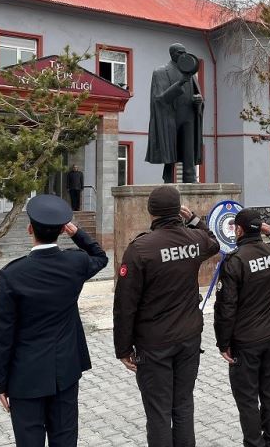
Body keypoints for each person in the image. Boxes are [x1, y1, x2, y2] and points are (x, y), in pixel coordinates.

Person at [0, 194, 108, 447]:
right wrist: (77, 233)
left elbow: (2, 334)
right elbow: (100, 256)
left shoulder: (12, 274)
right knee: (65, 439)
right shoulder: (75, 262)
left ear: (30, 228)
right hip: (65, 371)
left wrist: (0, 381)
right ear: (61, 230)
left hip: (25, 376)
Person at [112, 185, 220, 447]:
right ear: (177, 211)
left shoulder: (140, 249)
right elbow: (214, 242)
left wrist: (123, 348)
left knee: (159, 412)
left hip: (154, 343)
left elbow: (125, 304)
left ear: (151, 212)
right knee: (183, 405)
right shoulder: (194, 240)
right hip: (188, 337)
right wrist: (194, 219)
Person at [214, 209, 270, 447]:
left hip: (245, 341)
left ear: (238, 230)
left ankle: (254, 443)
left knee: (247, 397)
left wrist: (223, 343)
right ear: (259, 229)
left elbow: (226, 308)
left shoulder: (235, 260)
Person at [146, 43, 204, 184]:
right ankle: (168, 179)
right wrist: (180, 83)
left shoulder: (191, 75)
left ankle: (190, 178)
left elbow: (198, 95)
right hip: (170, 116)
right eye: (179, 53)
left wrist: (199, 101)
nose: (183, 55)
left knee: (189, 148)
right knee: (169, 150)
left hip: (189, 115)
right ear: (172, 54)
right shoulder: (160, 72)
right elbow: (159, 99)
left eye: (184, 52)